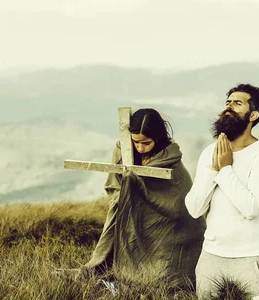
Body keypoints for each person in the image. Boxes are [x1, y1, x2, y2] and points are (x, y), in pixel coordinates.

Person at [82, 108, 206, 289]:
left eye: (146, 143)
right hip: (133, 217)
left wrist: (139, 191)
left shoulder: (170, 160)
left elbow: (179, 202)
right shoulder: (122, 152)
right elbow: (114, 185)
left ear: (157, 137)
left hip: (170, 228)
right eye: (136, 142)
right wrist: (126, 197)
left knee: (166, 278)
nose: (140, 148)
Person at [184, 84, 259, 300]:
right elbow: (194, 208)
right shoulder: (210, 152)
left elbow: (252, 208)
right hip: (211, 256)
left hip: (249, 256)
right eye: (227, 102)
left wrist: (225, 169)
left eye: (237, 103)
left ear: (253, 115)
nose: (229, 107)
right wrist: (213, 168)